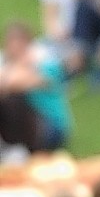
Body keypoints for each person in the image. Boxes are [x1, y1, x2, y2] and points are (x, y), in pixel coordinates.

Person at [0, 21, 72, 153]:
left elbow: (24, 82)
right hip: (25, 124)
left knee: (14, 99)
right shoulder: (6, 64)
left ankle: (18, 148)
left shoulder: (45, 61)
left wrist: (12, 75)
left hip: (49, 125)